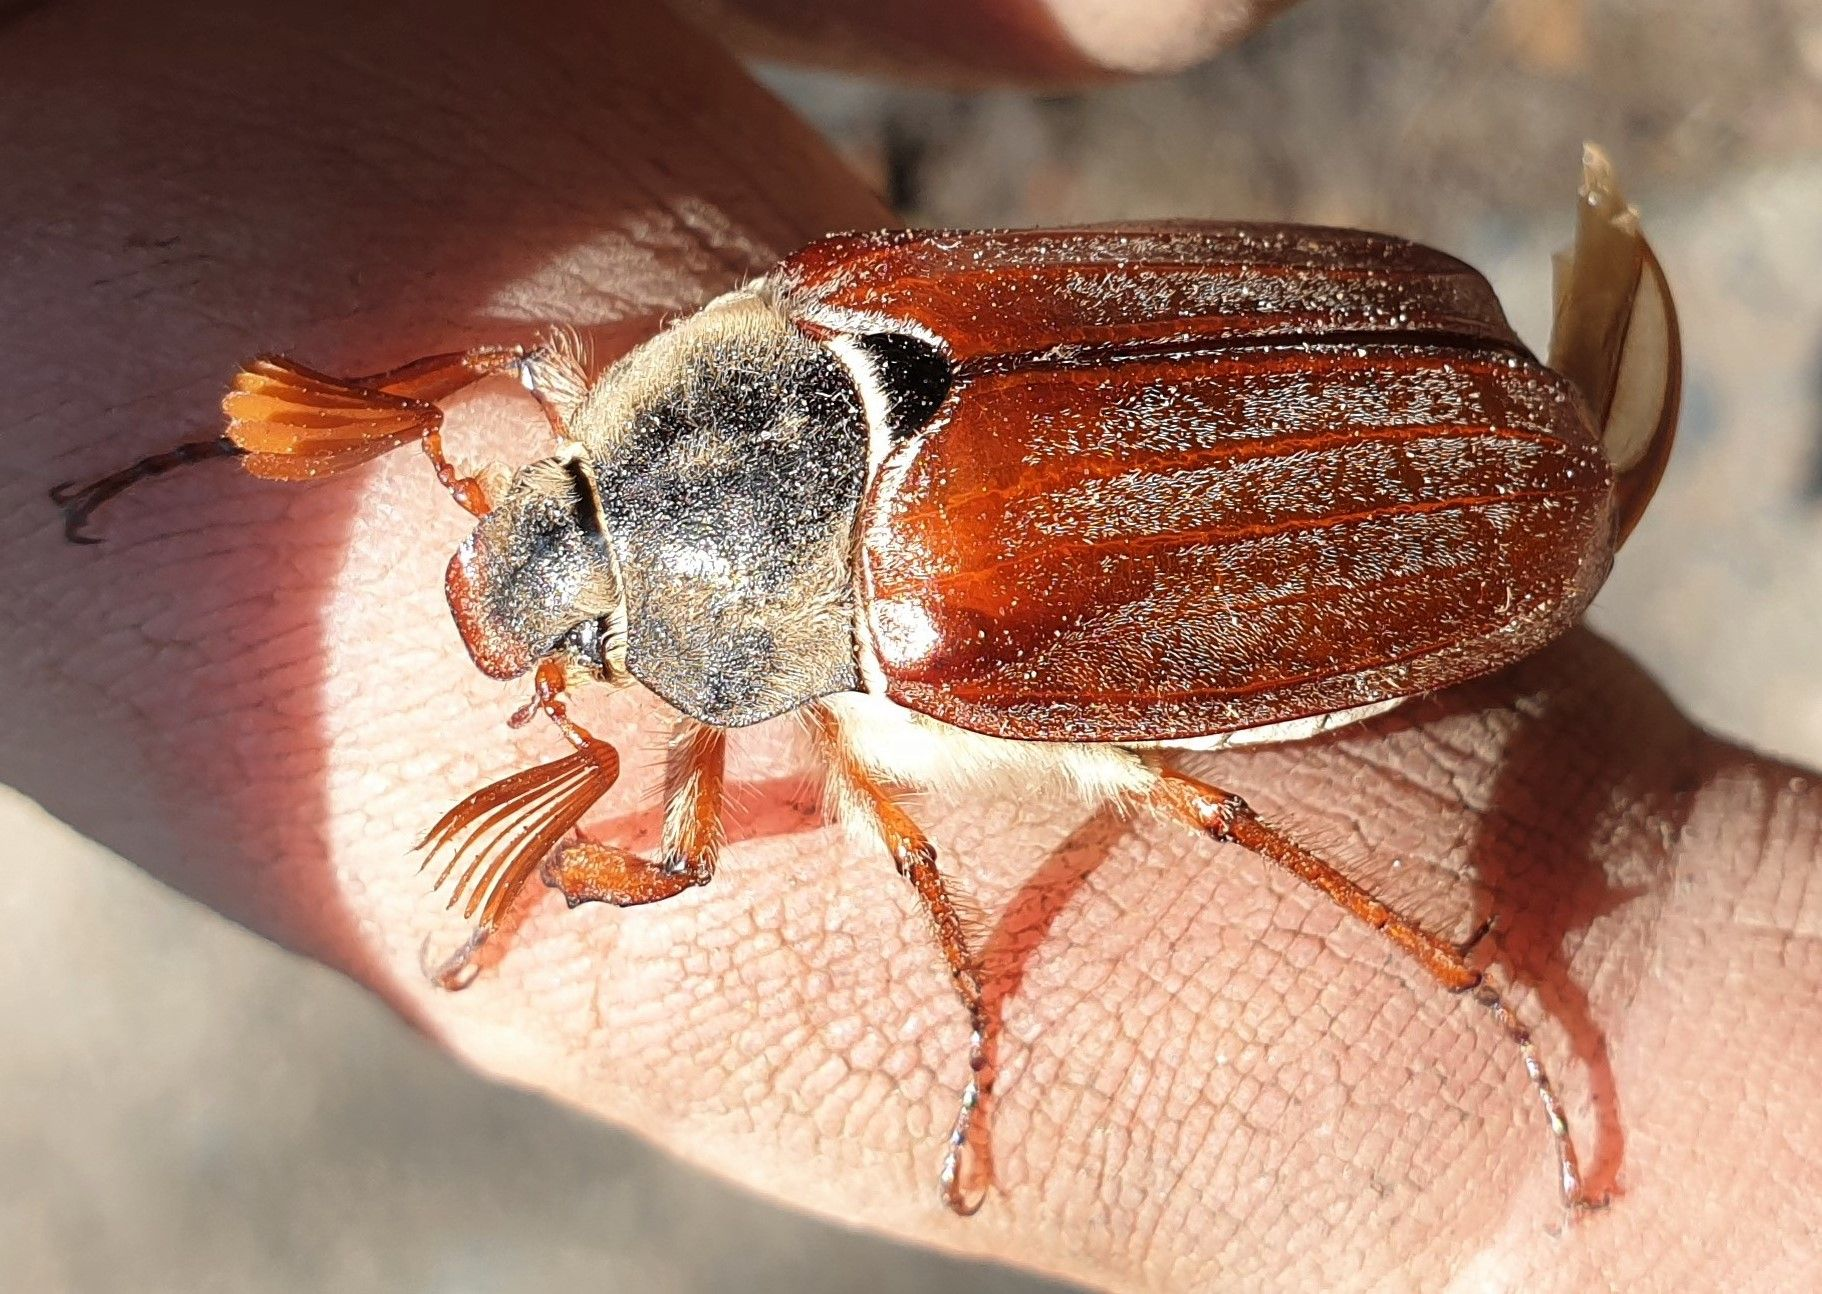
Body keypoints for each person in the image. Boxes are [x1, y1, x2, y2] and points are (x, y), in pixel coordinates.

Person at [3, 1, 1817, 1287]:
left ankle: (1455, 962)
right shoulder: (832, 303)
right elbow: (526, 374)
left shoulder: (924, 616)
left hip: (1458, 524)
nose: (522, 500)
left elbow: (699, 833)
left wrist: (606, 862)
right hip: (1392, 324)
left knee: (1202, 808)